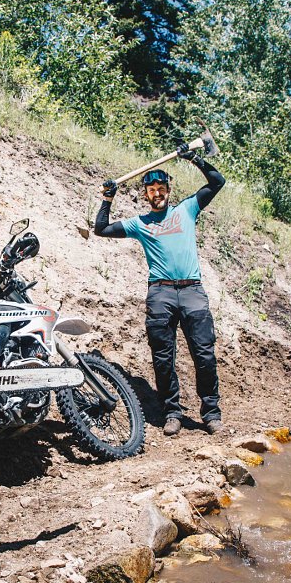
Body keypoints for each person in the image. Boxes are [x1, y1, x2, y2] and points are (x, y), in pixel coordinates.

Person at [94, 145, 225, 437]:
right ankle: (172, 413)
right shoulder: (139, 224)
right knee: (163, 359)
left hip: (192, 291)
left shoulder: (187, 209)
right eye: (152, 190)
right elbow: (101, 228)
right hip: (160, 294)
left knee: (204, 354)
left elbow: (217, 182)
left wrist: (195, 158)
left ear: (168, 190)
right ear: (146, 194)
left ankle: (211, 413)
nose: (157, 193)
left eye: (161, 188)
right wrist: (107, 199)